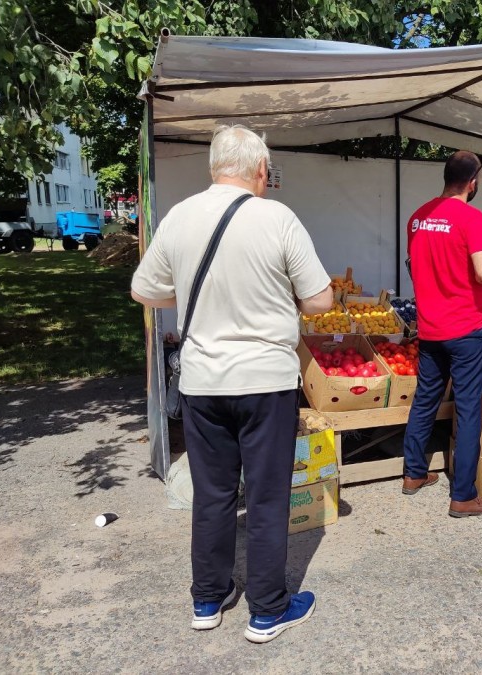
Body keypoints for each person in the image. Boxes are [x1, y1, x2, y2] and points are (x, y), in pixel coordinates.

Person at [131, 125, 333, 642]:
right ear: (261, 170)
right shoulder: (278, 218)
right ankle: (267, 610)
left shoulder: (179, 217)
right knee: (266, 497)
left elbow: (144, 290)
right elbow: (320, 301)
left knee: (214, 493)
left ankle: (208, 598)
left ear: (213, 168)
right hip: (266, 381)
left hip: (203, 381)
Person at [402, 150, 482, 518]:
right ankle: (463, 495)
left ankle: (413, 473)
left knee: (426, 398)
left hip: (430, 327)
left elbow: (415, 266)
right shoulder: (472, 218)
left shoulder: (418, 217)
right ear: (473, 183)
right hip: (465, 327)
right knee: (468, 406)